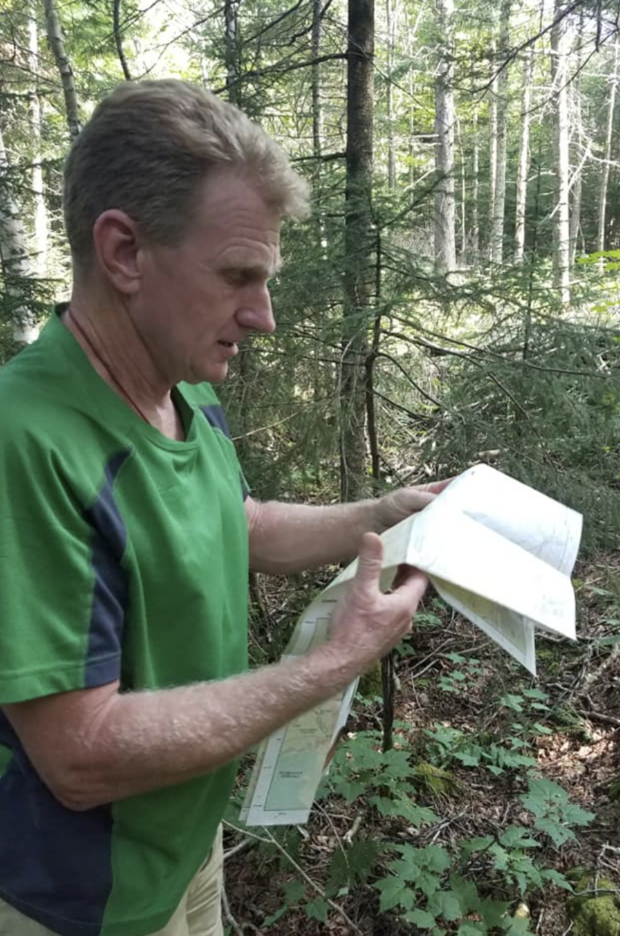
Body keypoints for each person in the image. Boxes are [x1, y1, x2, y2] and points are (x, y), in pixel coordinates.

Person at [0, 80, 447, 936]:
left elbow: (236, 526)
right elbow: (79, 757)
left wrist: (386, 513)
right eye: (239, 275)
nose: (264, 316)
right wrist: (326, 667)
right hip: (74, 901)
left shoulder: (183, 385)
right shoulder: (25, 442)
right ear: (125, 252)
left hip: (184, 855)